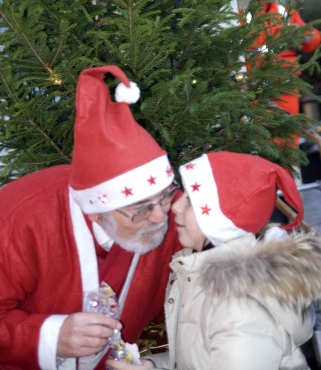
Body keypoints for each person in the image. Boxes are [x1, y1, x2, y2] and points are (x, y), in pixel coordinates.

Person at [0, 65, 181, 370]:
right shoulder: (19, 219)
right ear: (95, 211)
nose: (160, 215)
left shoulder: (172, 214)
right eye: (141, 209)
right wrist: (49, 336)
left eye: (165, 196)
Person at [107, 151, 321, 370]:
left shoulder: (238, 306)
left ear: (220, 220)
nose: (176, 207)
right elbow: (202, 359)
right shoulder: (201, 274)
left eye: (190, 201)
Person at [244, 0, 321, 118]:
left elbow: (313, 41)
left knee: (288, 135)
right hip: (258, 87)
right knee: (262, 132)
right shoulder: (246, 17)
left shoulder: (286, 13)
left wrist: (302, 33)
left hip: (287, 86)